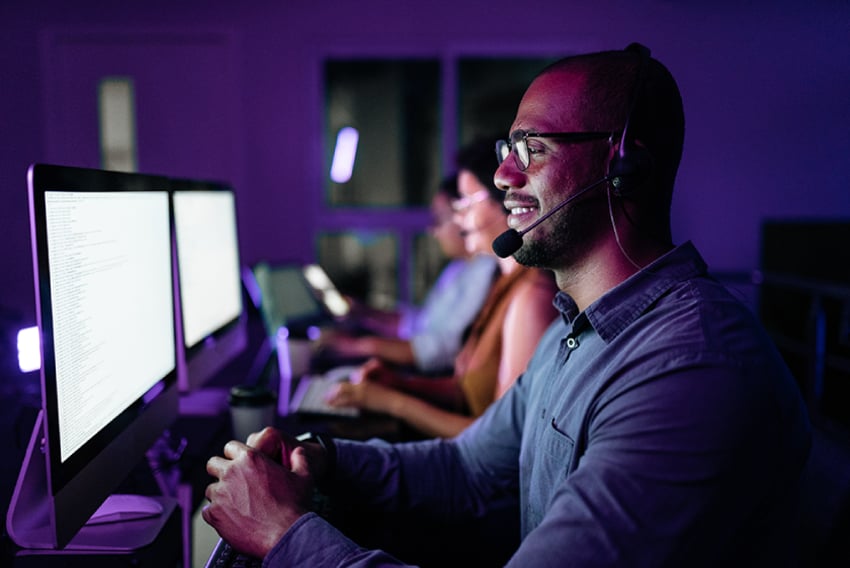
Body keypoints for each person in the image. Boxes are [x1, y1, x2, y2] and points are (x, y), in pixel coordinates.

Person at [203, 44, 812, 567]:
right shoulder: (577, 329)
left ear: (623, 163)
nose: (501, 174)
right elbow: (468, 470)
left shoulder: (691, 371)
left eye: (533, 149)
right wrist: (325, 457)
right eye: (508, 146)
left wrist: (284, 535)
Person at [324, 139, 559, 438]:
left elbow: (501, 444)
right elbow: (467, 389)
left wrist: (392, 402)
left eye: (465, 203)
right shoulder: (501, 286)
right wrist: (398, 383)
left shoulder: (530, 298)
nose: (458, 219)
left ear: (506, 203)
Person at [319, 174, 499, 374]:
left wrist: (360, 346)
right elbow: (423, 324)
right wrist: (366, 314)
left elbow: (440, 349)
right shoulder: (458, 268)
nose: (432, 230)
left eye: (439, 219)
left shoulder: (487, 270)